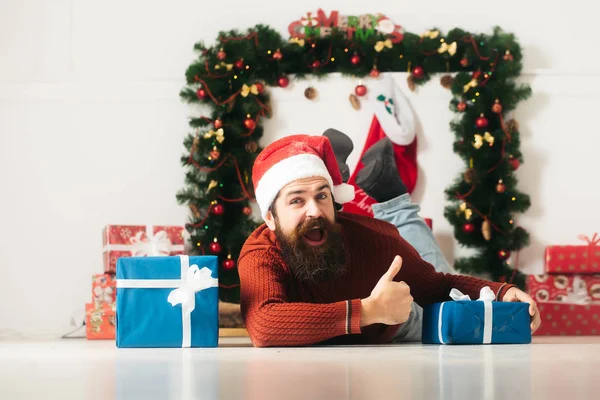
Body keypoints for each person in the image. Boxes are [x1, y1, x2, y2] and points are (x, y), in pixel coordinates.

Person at [237, 131, 541, 347]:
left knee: (437, 297)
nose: (315, 210)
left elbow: (437, 286)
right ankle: (393, 195)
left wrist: (501, 291)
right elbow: (264, 325)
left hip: (395, 324)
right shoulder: (261, 252)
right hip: (374, 312)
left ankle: (389, 195)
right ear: (269, 218)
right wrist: (368, 310)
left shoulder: (374, 241)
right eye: (296, 201)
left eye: (322, 195)